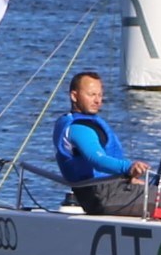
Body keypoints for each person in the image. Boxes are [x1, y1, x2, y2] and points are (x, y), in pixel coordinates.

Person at [52, 71, 146, 216]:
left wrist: (129, 178)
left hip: (109, 190)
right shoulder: (79, 128)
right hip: (101, 196)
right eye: (91, 95)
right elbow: (97, 160)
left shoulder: (88, 122)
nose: (97, 101)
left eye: (100, 95)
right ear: (74, 96)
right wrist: (129, 168)